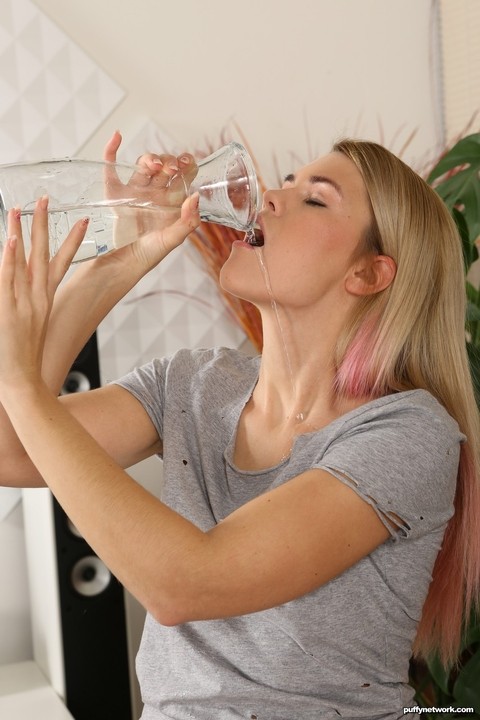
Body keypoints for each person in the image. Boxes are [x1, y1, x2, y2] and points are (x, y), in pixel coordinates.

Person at [0, 131, 479, 720]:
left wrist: (20, 380)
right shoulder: (194, 385)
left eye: (315, 199)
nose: (273, 196)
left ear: (368, 274)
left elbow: (184, 584)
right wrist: (118, 260)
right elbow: (12, 451)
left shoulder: (407, 435)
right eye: (288, 183)